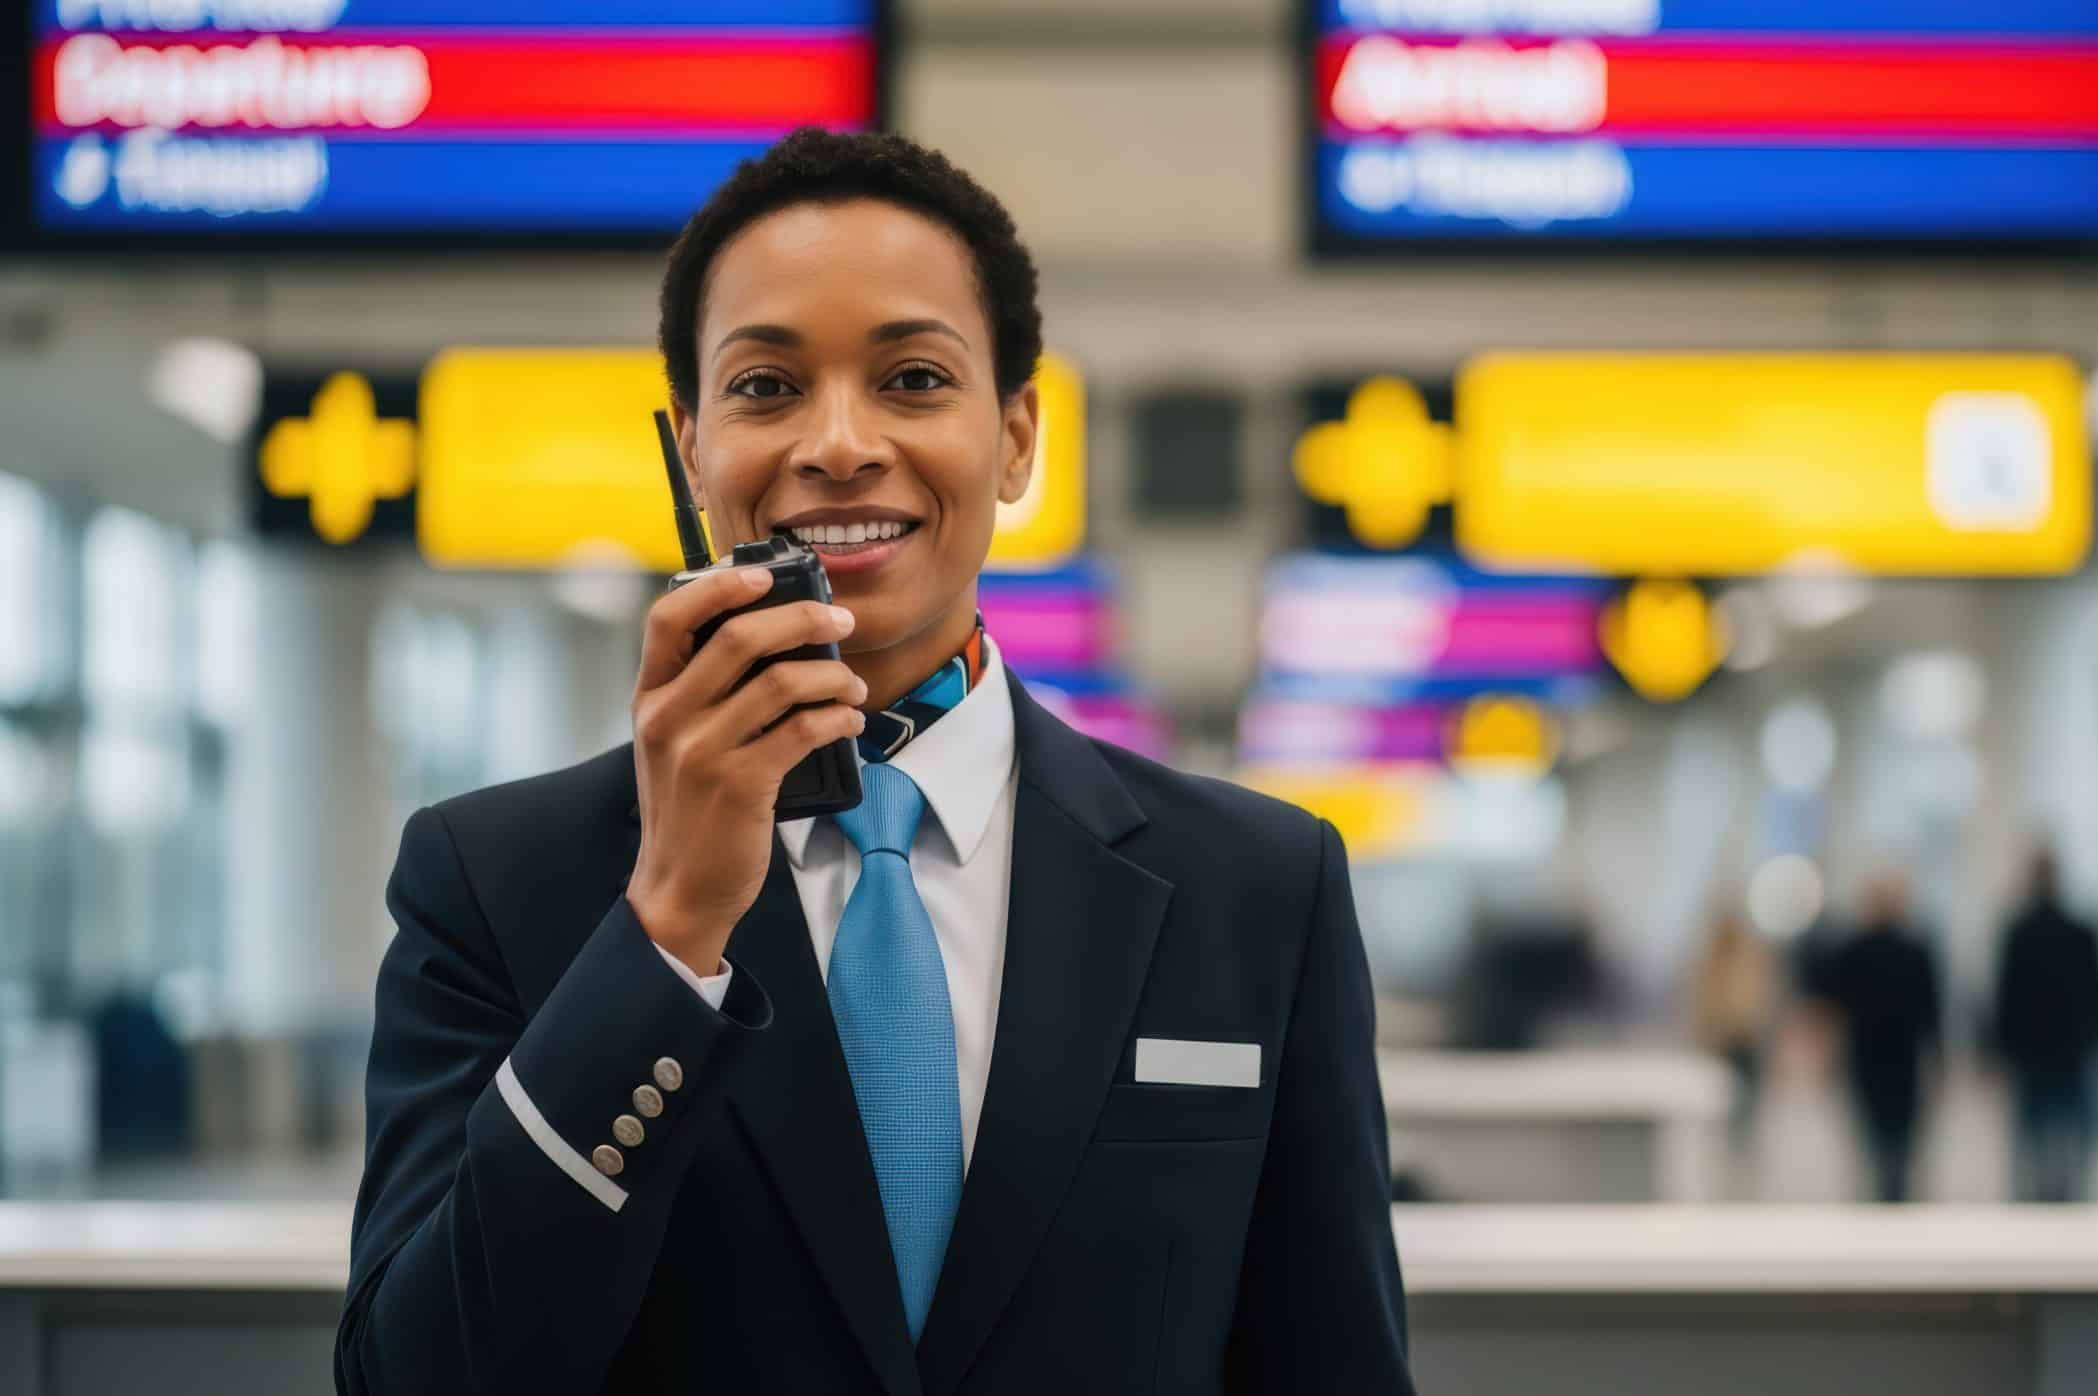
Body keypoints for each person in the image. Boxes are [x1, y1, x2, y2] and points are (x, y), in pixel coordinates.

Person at [338, 130, 1413, 1396]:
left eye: (911, 378)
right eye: (764, 387)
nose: (839, 442)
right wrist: (668, 929)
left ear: (1016, 437)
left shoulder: (1257, 885)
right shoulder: (495, 881)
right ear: (690, 449)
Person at [1991, 847, 2098, 1203]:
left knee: (2031, 1147)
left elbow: (2005, 1002)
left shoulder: (2018, 934)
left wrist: (2002, 1052)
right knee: (2071, 1146)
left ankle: (2036, 1214)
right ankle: (2068, 1211)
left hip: (2032, 1057)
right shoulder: (2081, 933)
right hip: (2071, 1055)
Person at [1816, 872, 1944, 1204]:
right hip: (1898, 1058)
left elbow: (1836, 1008)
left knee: (1876, 1142)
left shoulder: (1855, 949)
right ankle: (1894, 1200)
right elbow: (1931, 1012)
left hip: (1872, 1057)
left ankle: (1882, 1203)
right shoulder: (1912, 950)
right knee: (1897, 1142)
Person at [1688, 903, 1776, 1144]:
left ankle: (1742, 1142)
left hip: (1744, 1039)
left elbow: (1762, 1002)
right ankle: (1734, 1141)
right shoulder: (1712, 962)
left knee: (1746, 1101)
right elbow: (1701, 1003)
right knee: (1726, 1101)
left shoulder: (1750, 959)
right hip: (1726, 1040)